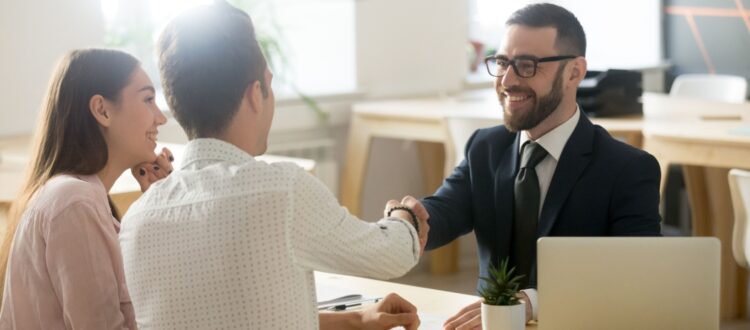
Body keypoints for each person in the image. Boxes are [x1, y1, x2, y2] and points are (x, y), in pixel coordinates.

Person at [118, 2, 428, 329]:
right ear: (255, 93)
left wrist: (353, 319)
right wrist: (403, 215)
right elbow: (393, 254)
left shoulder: (136, 221)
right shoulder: (283, 192)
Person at [421, 3, 662, 328]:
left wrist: (531, 303)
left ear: (575, 72)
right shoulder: (485, 147)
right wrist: (407, 222)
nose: (507, 80)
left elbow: (637, 274)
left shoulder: (628, 169)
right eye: (503, 62)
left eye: (527, 65)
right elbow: (444, 211)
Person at [0, 48, 173, 329]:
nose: (160, 118)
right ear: (102, 110)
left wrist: (156, 204)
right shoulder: (74, 202)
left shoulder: (80, 199)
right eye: (148, 99)